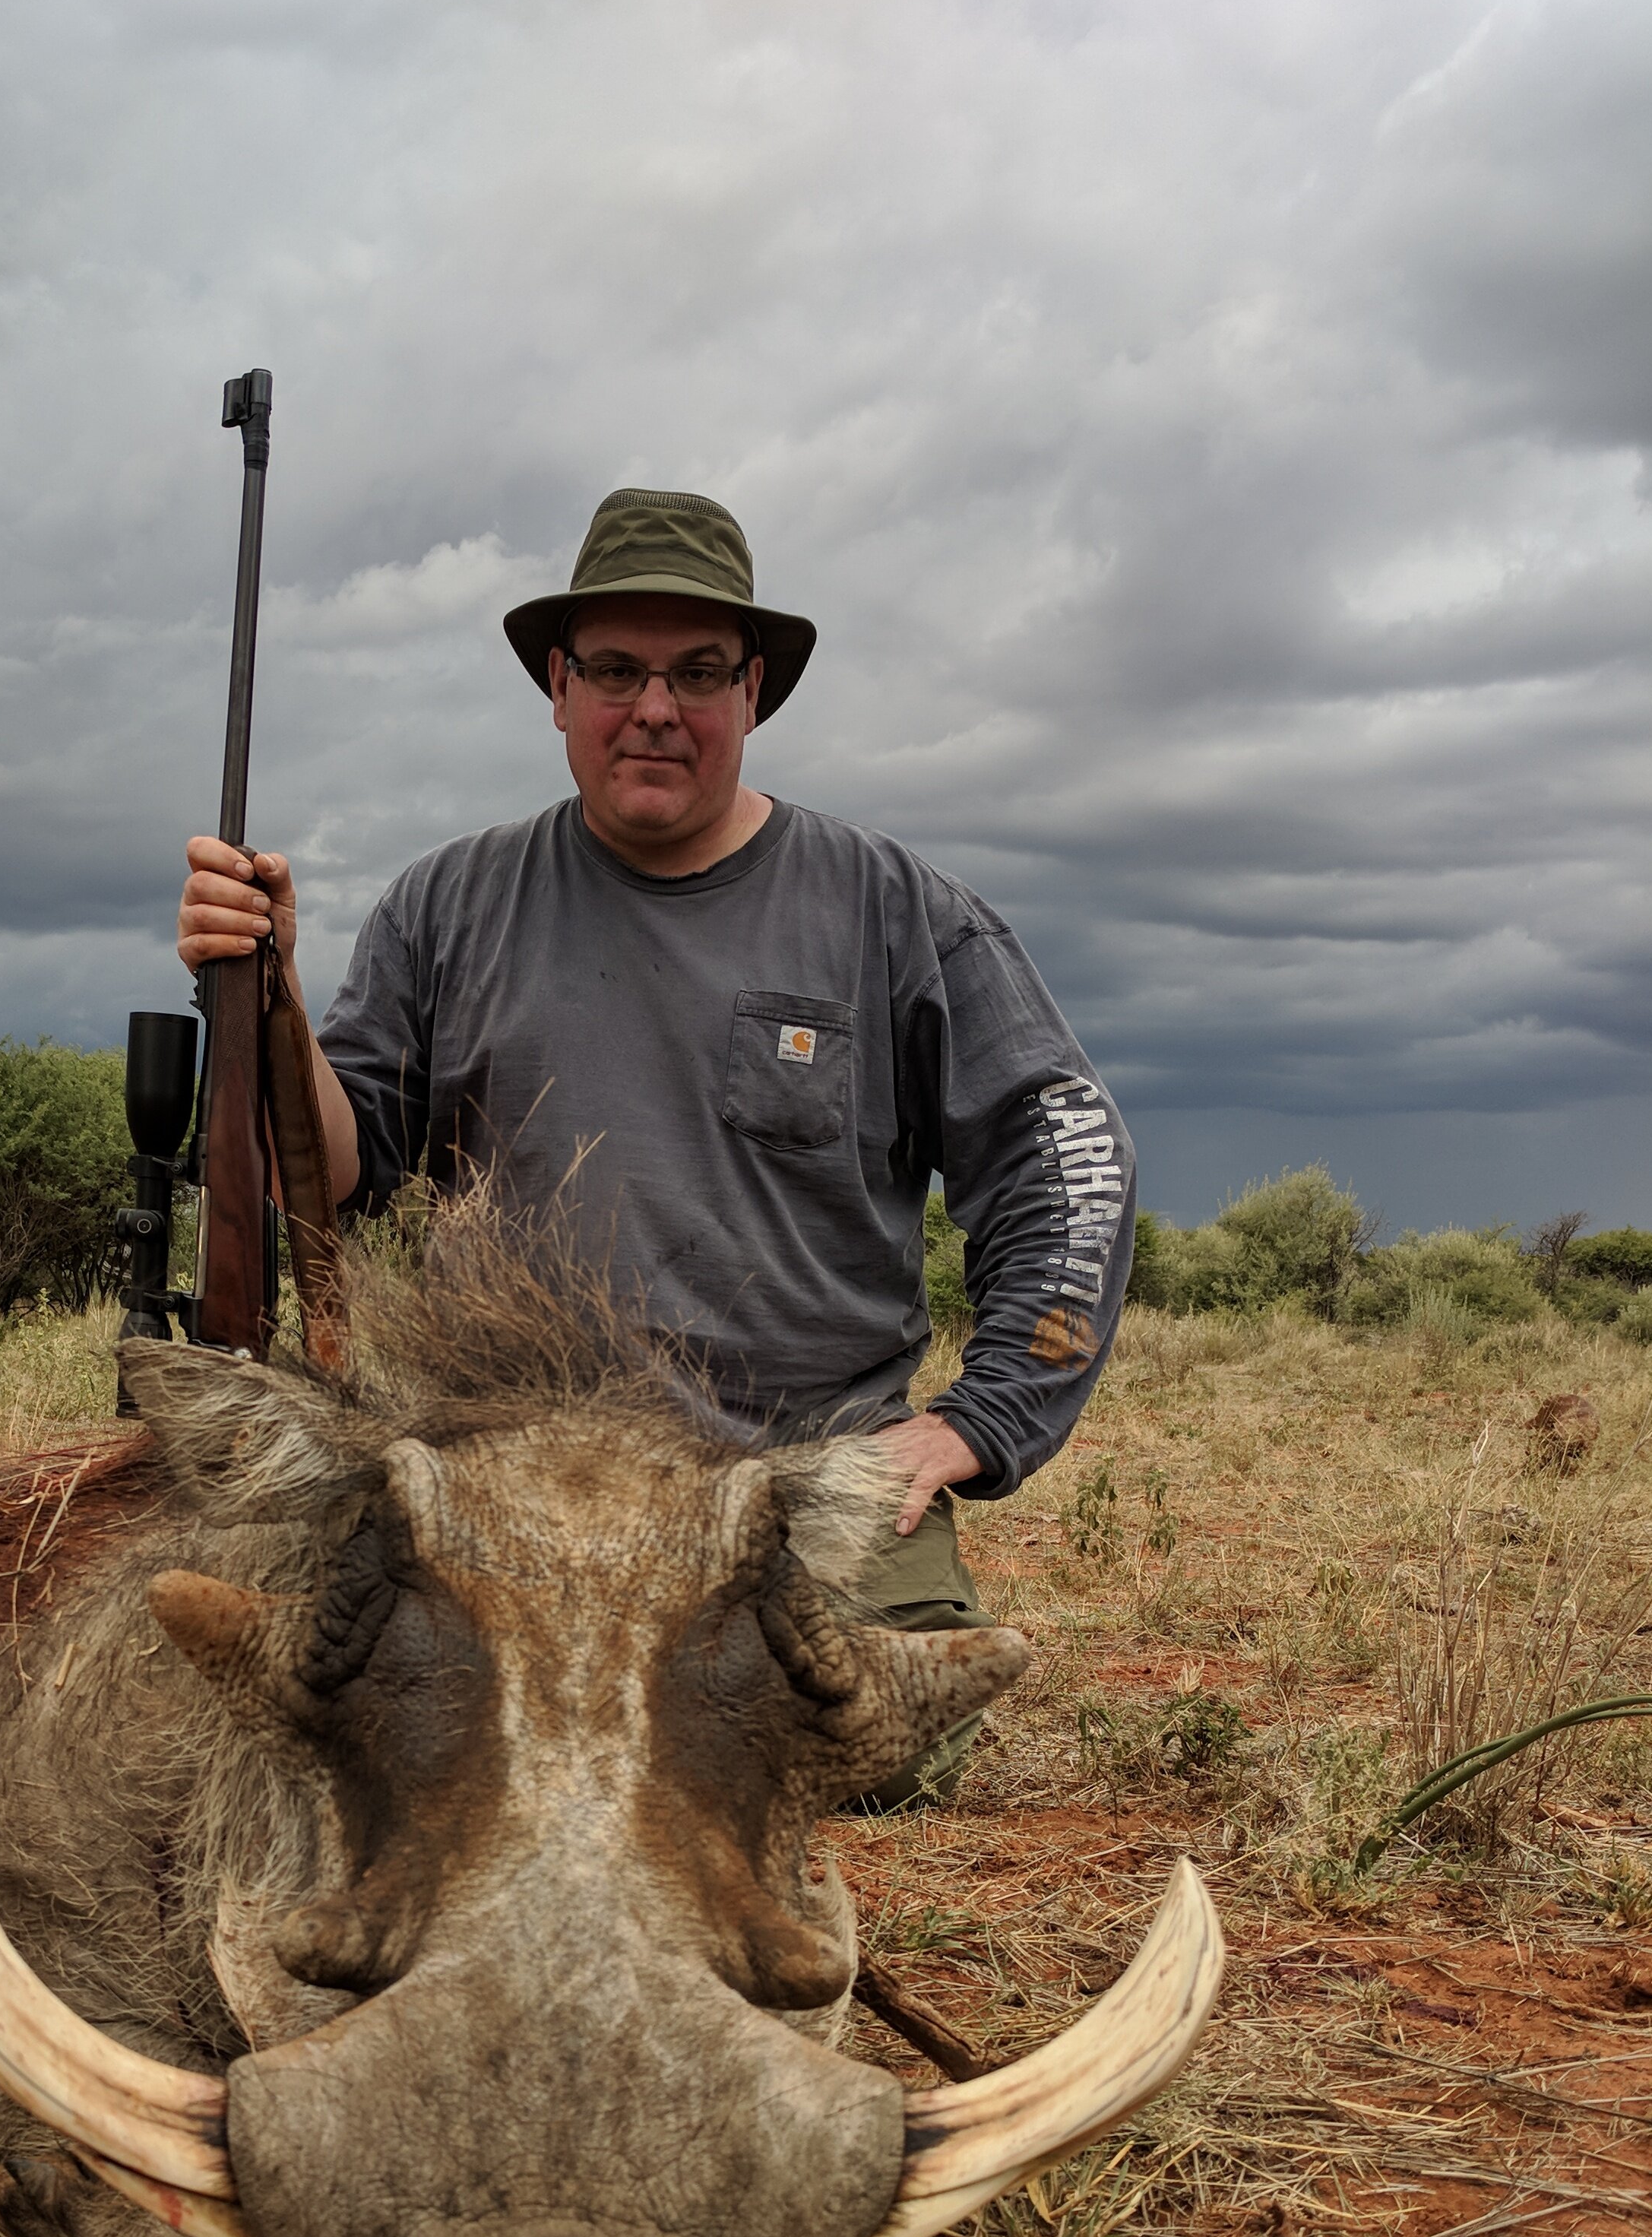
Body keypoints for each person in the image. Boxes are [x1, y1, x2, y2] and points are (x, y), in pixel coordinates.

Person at [176, 487, 1136, 1805]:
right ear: (558, 689)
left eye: (698, 673)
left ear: (754, 695)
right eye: (616, 670)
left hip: (796, 1491)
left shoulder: (900, 910)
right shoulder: (444, 906)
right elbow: (337, 1168)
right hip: (500, 1496)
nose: (655, 708)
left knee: (876, 1758)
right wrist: (268, 990)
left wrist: (979, 1423)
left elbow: (1068, 1158)